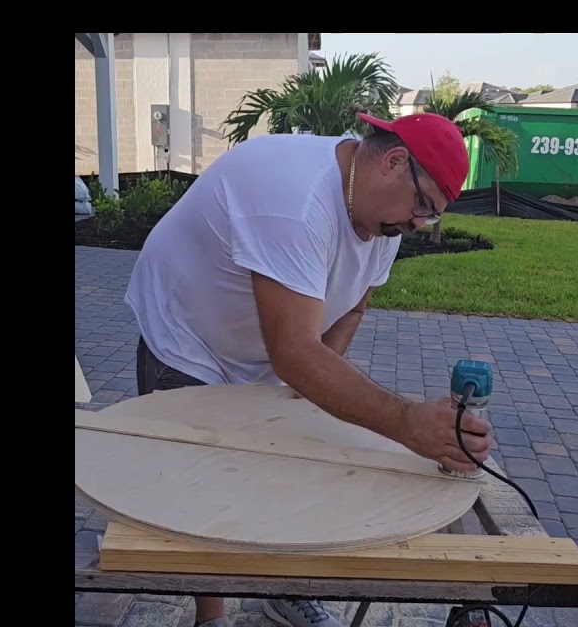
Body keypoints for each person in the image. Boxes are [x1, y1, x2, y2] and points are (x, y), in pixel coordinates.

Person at [123, 111, 495, 627]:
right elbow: (295, 353)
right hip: (188, 334)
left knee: (286, 464)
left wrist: (316, 386)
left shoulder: (380, 217)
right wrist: (406, 422)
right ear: (394, 161)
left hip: (263, 344)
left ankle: (284, 589)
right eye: (424, 207)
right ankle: (212, 616)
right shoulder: (296, 201)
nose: (417, 225)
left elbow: (354, 307)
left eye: (429, 217)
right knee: (200, 490)